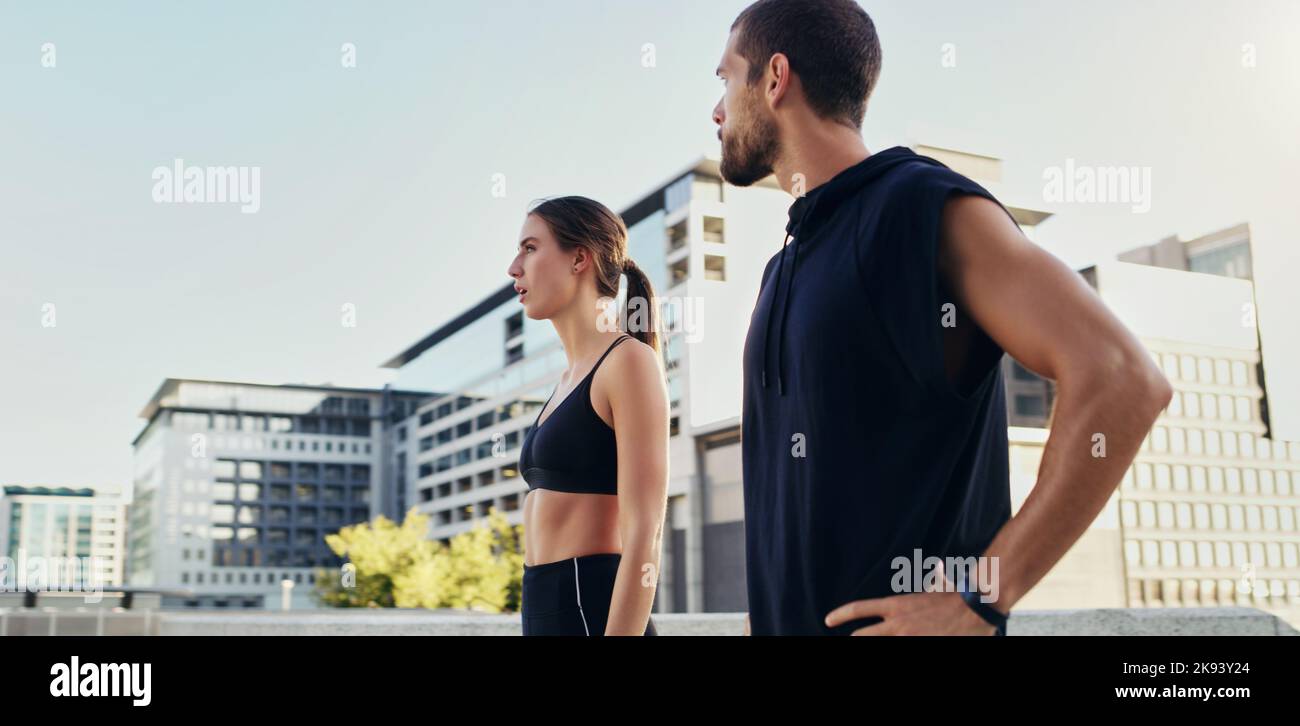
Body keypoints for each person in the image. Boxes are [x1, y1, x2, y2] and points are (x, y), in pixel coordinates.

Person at [711, 0, 1173, 635]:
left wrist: (980, 598)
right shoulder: (783, 267)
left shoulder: (918, 205)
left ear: (774, 77)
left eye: (726, 80)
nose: (717, 109)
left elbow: (1123, 378)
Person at [506, 196, 669, 636]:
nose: (514, 268)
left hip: (593, 609)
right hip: (543, 606)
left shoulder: (627, 362)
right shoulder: (565, 380)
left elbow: (645, 533)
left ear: (580, 258)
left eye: (530, 248)